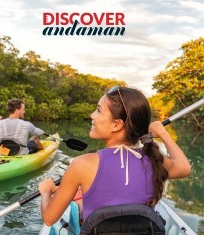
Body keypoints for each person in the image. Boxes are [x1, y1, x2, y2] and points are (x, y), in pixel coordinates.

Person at [38, 86, 191, 227]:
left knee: (78, 205)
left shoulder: (81, 164)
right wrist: (163, 134)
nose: (92, 115)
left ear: (116, 125)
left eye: (98, 110)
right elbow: (184, 168)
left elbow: (50, 219)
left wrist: (46, 191)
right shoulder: (154, 160)